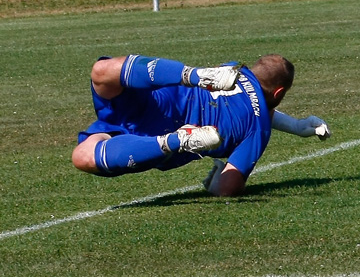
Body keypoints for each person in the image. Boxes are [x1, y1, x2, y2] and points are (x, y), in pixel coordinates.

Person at [71, 54, 330, 197]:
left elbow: (251, 104)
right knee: (82, 157)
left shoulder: (231, 69)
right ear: (279, 92)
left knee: (102, 71)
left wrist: (295, 126)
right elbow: (229, 186)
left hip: (153, 102)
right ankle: (178, 140)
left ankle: (192, 75)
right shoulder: (257, 130)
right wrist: (217, 183)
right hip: (155, 137)